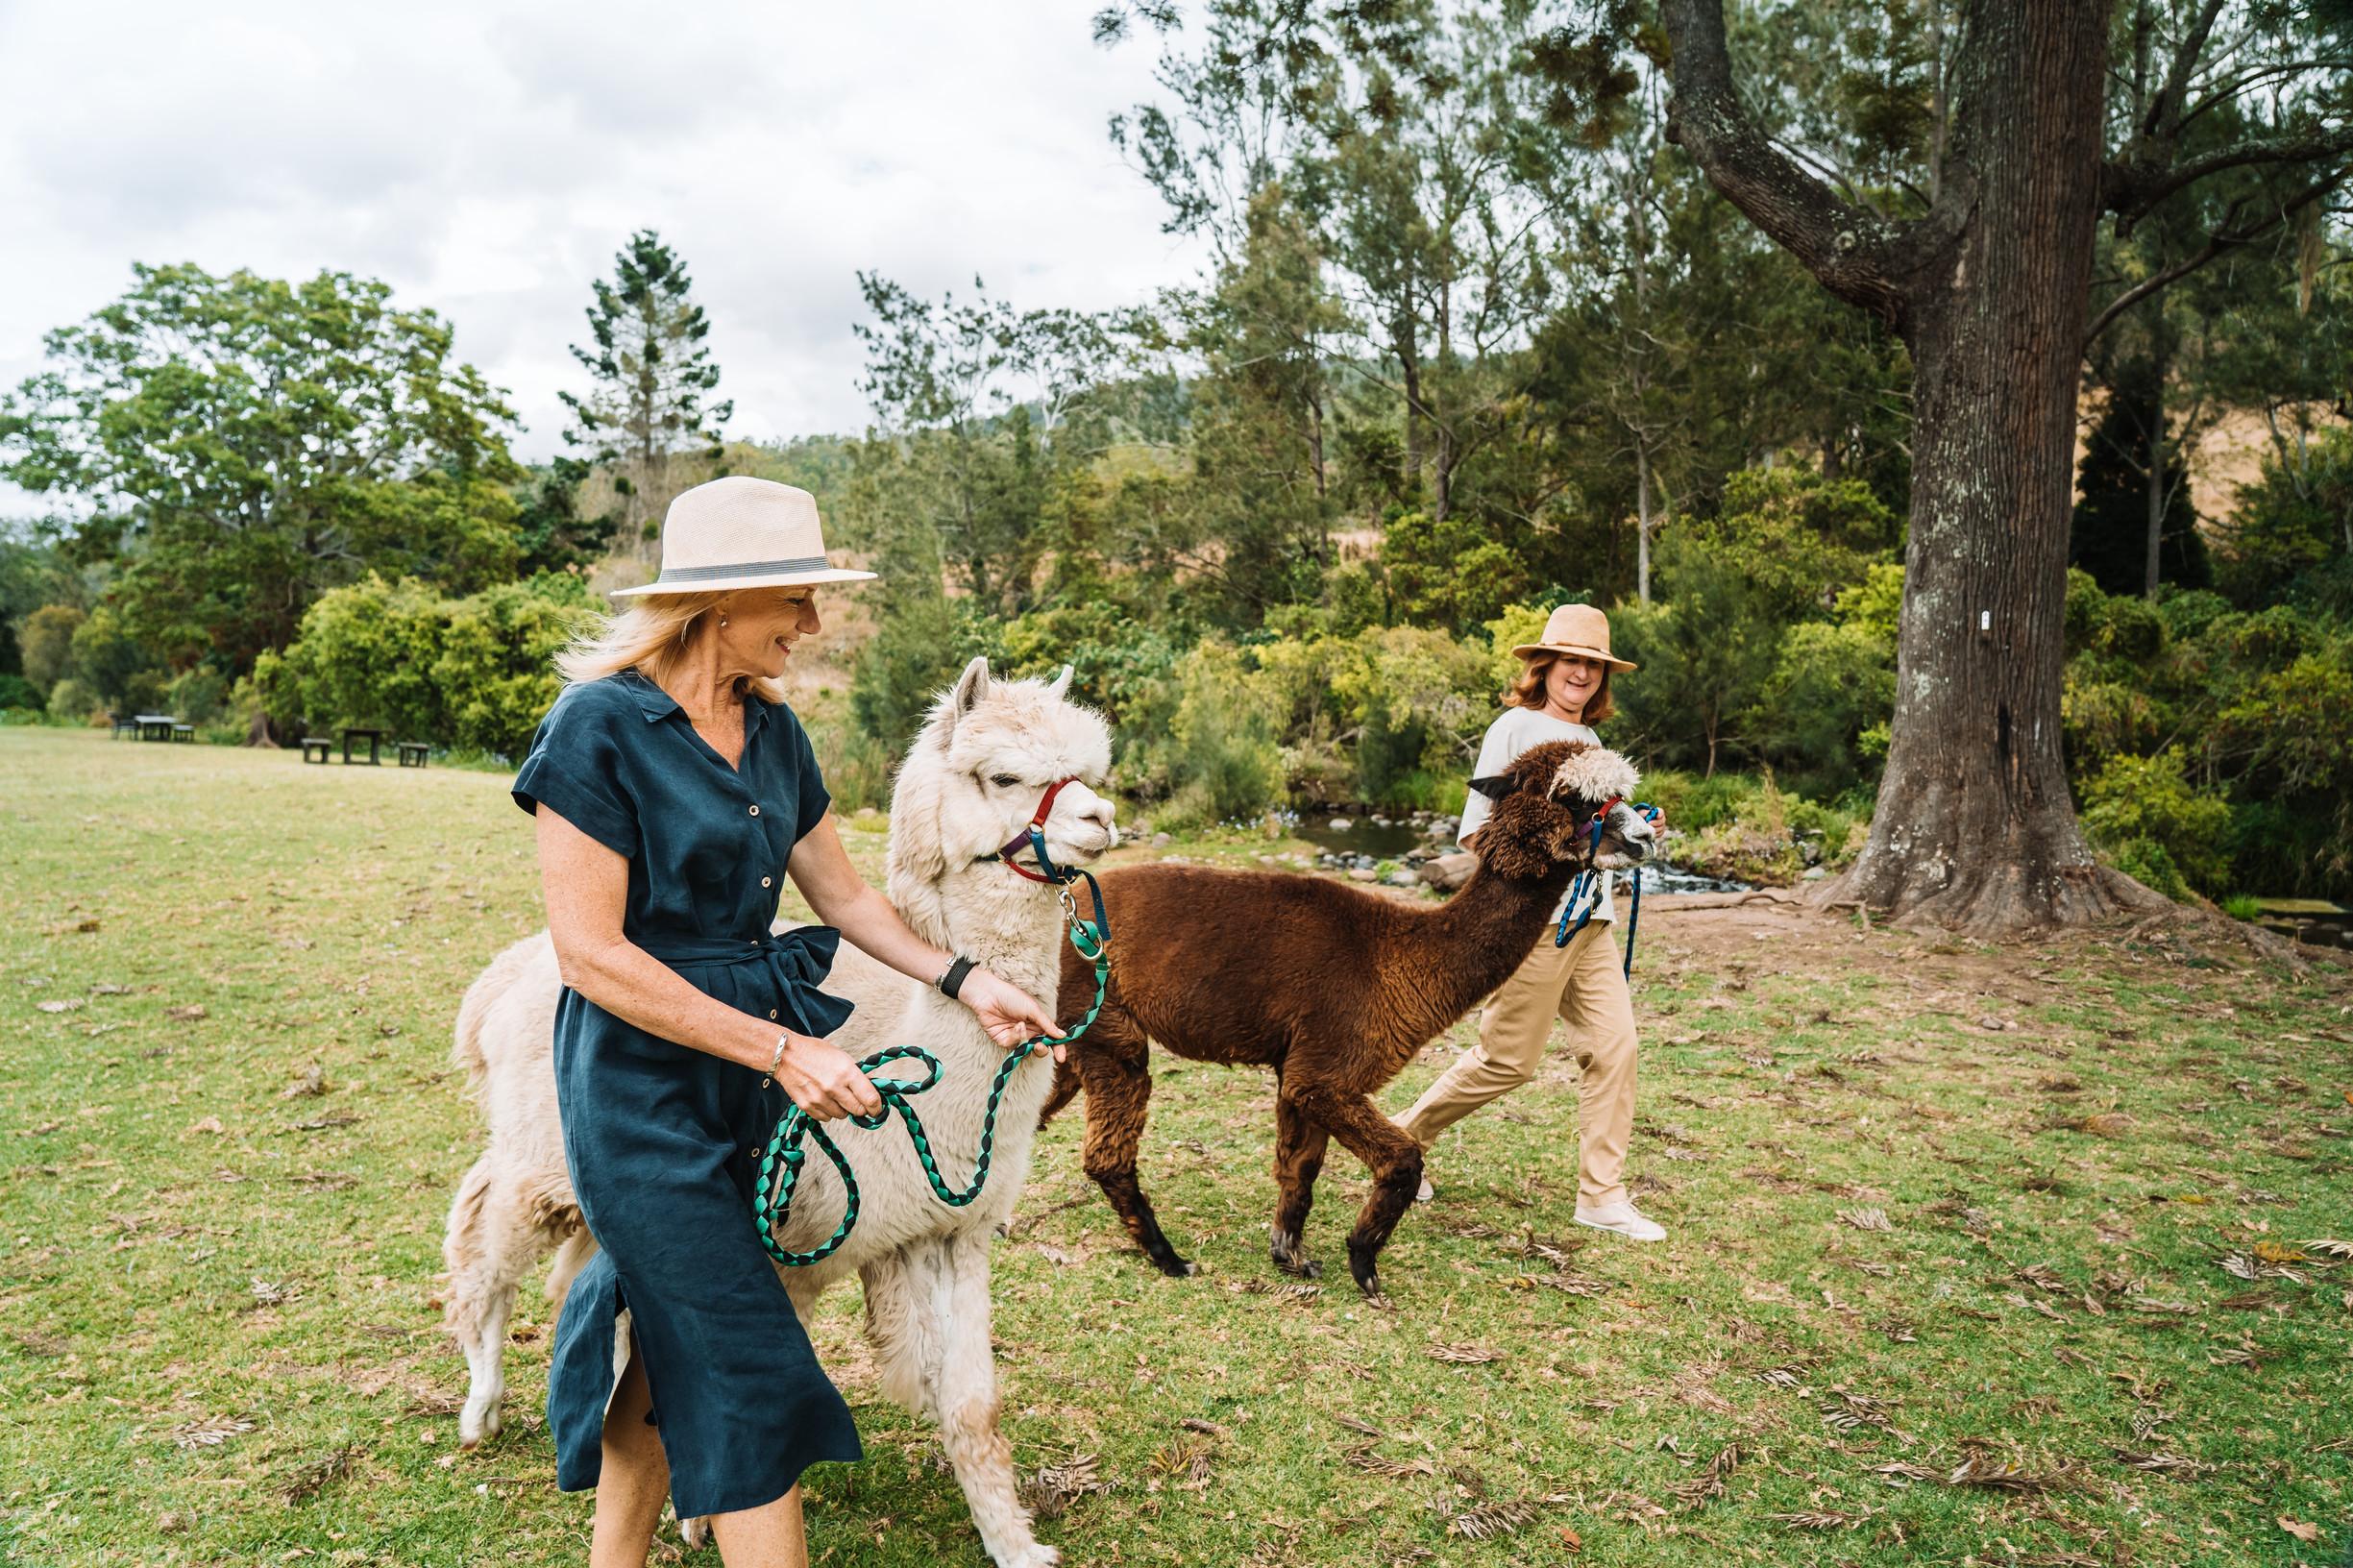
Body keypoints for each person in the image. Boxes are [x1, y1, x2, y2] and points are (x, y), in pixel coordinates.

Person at [513, 477, 1061, 1568]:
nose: (813, 623)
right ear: (721, 607)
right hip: (638, 1084)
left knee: (673, 1342)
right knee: (750, 1362)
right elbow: (591, 953)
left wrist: (964, 979)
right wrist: (783, 1048)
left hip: (751, 1076)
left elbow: (847, 899)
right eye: (796, 601)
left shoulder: (771, 730)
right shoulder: (598, 730)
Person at [1390, 602, 1669, 1243]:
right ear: (1544, 665)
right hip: (1536, 926)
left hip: (1593, 917)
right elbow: (1474, 833)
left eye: (1593, 666)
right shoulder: (1513, 731)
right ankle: (1400, 1138)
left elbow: (1596, 834)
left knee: (1615, 1049)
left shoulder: (1593, 744)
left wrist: (1634, 830)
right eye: (1571, 661)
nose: (1581, 675)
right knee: (1507, 1060)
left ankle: (1600, 1197)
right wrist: (1549, 862)